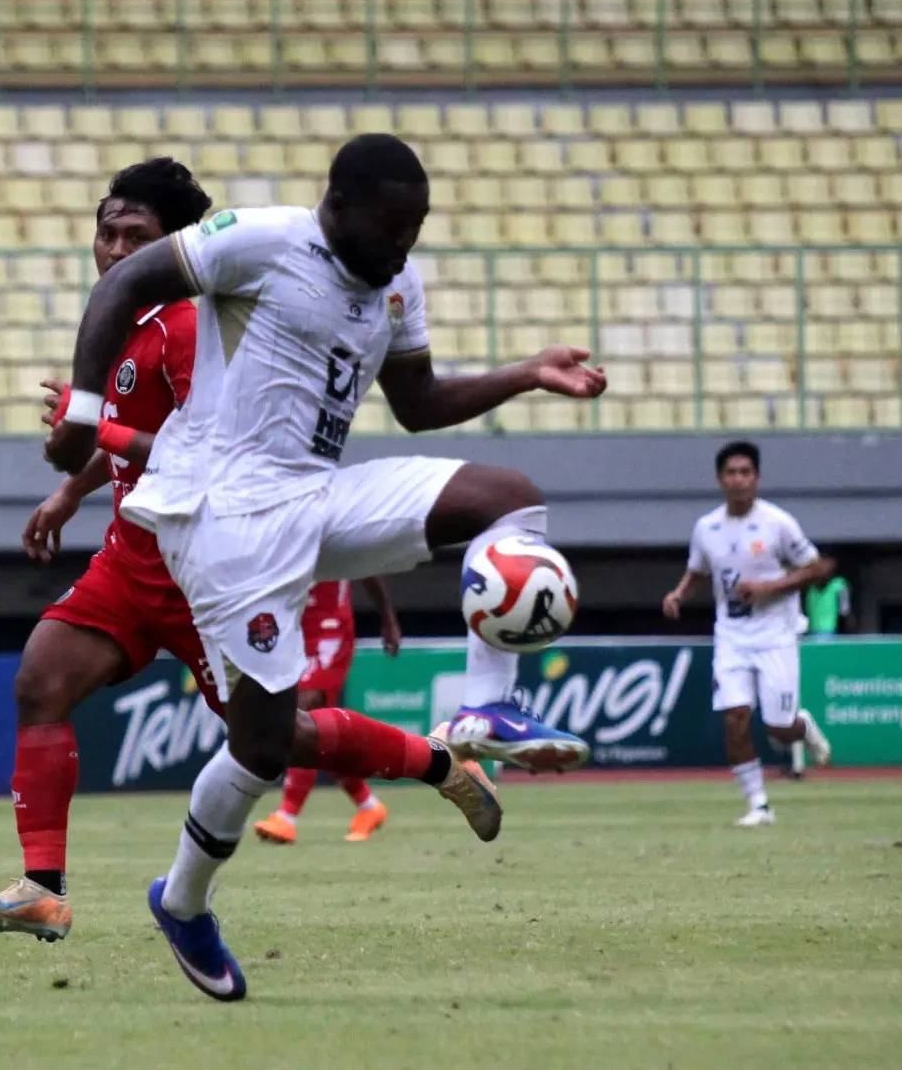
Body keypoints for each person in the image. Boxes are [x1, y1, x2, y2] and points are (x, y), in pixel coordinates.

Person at [44, 133, 604, 1001]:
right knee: (263, 746)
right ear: (335, 208)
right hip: (225, 520)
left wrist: (526, 372)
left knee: (512, 496)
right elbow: (124, 282)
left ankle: (486, 708)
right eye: (391, 228)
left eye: (415, 229)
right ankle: (183, 900)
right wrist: (83, 414)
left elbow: (416, 406)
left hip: (315, 495)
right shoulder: (260, 240)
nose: (403, 246)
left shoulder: (394, 280)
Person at [0, 156, 506, 947]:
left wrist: (99, 432)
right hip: (130, 556)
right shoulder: (132, 325)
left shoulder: (190, 325)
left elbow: (197, 448)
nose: (113, 250)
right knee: (40, 680)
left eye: (133, 235)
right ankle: (43, 885)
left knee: (283, 738)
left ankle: (439, 763)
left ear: (172, 242)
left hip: (204, 563)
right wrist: (72, 492)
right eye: (105, 233)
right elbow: (134, 436)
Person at [661, 440, 836, 827]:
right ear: (719, 479)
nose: (738, 480)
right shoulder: (706, 527)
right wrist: (679, 594)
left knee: (778, 727)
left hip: (776, 635)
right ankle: (758, 804)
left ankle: (802, 726)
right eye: (731, 473)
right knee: (735, 717)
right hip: (732, 636)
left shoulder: (778, 523)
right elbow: (699, 570)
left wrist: (769, 588)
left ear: (756, 478)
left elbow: (821, 567)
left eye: (745, 472)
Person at [253, 579, 402, 844]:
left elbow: (369, 567)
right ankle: (368, 805)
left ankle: (287, 816)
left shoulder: (334, 537)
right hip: (292, 631)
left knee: (304, 713)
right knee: (323, 736)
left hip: (330, 629)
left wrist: (387, 617)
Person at [789, 565, 856, 778]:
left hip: (820, 641)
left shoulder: (837, 586)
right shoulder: (805, 592)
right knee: (783, 718)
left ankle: (799, 765)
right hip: (803, 643)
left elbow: (846, 614)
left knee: (793, 712)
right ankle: (799, 762)